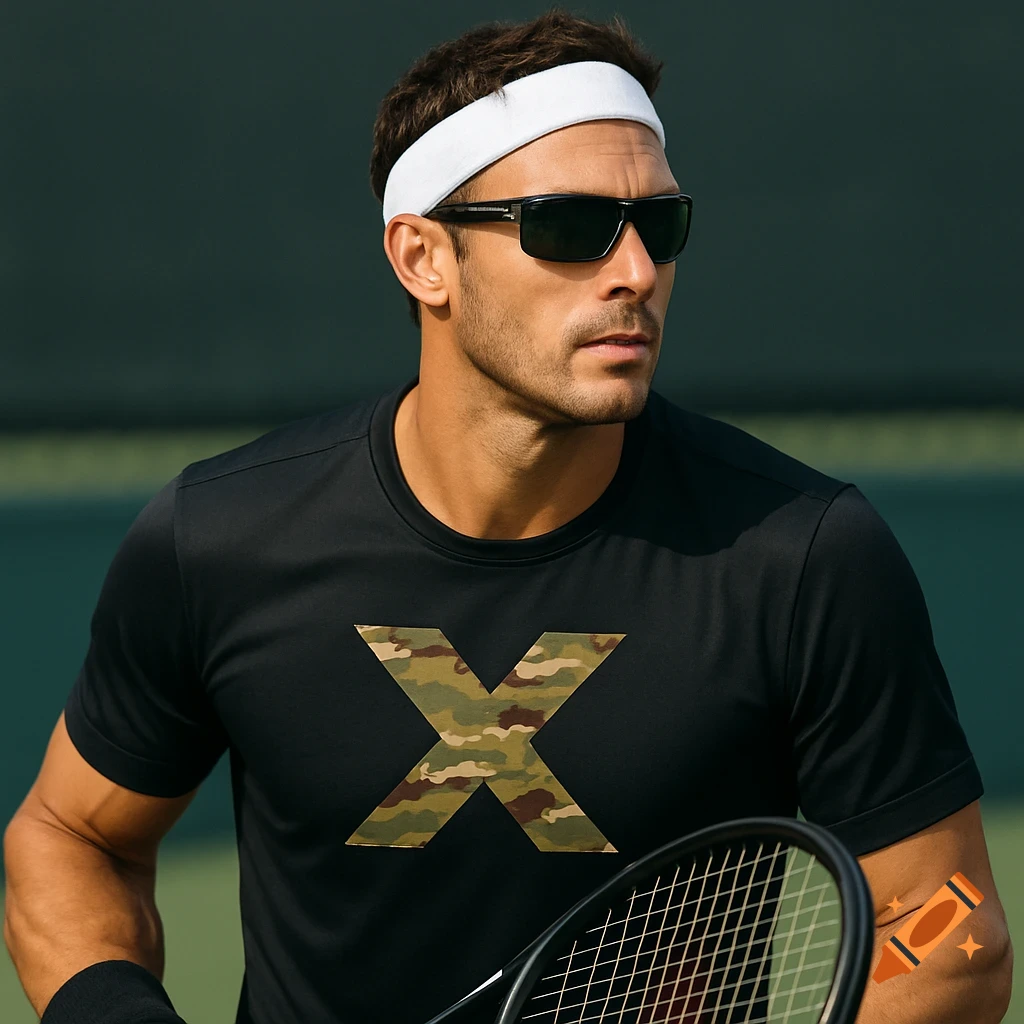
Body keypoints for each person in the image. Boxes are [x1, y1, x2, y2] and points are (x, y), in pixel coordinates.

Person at [2, 10, 1013, 1024]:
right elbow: (70, 834)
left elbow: (948, 918)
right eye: (567, 227)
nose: (634, 273)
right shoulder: (216, 540)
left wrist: (934, 958)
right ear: (421, 259)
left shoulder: (804, 556)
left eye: (658, 226)